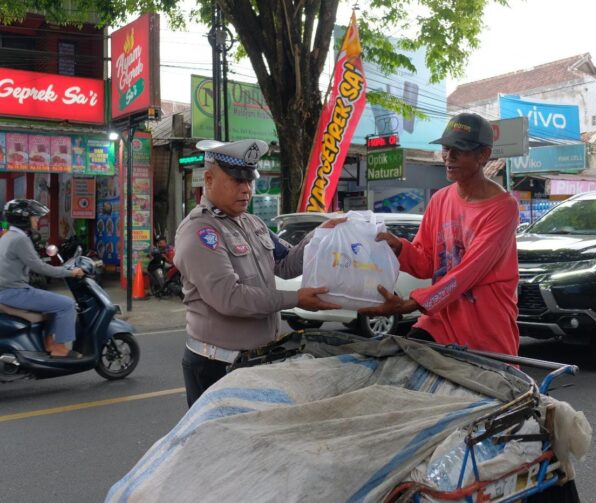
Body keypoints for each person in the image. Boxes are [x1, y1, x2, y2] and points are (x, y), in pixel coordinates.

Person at [174, 139, 344, 406]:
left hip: (256, 360)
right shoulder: (201, 231)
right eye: (236, 181)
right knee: (221, 444)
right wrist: (296, 299)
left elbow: (287, 263)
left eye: (249, 181)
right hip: (217, 365)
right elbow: (230, 298)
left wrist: (320, 234)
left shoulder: (253, 224)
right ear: (208, 179)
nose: (246, 189)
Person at [359, 113, 520, 355]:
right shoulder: (440, 199)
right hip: (439, 320)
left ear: (483, 155)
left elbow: (468, 272)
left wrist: (410, 304)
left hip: (485, 325)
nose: (449, 157)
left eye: (460, 150)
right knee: (403, 362)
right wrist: (398, 248)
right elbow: (426, 263)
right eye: (446, 148)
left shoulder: (503, 208)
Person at [0, 200, 86, 358]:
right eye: (34, 217)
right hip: (14, 291)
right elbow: (40, 267)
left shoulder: (7, 237)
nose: (37, 220)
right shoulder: (20, 240)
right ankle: (60, 348)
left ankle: (49, 343)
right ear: (23, 219)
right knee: (66, 305)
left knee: (52, 305)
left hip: (8, 290)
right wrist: (70, 272)